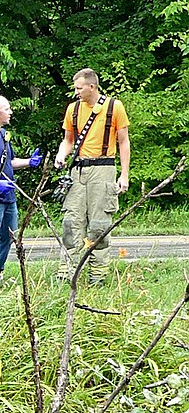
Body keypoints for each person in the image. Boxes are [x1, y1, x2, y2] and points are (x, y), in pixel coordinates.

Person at [53, 68, 130, 286]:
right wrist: (61, 155)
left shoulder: (115, 107)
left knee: (99, 224)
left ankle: (97, 276)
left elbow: (124, 141)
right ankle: (66, 273)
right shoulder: (73, 109)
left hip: (104, 169)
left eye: (79, 88)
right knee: (71, 221)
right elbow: (68, 140)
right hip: (77, 170)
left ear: (91, 87)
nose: (76, 92)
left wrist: (124, 175)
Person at [0, 95, 41, 279]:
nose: (11, 112)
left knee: (10, 235)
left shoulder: (4, 136)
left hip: (9, 196)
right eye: (7, 109)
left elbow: (9, 162)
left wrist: (29, 162)